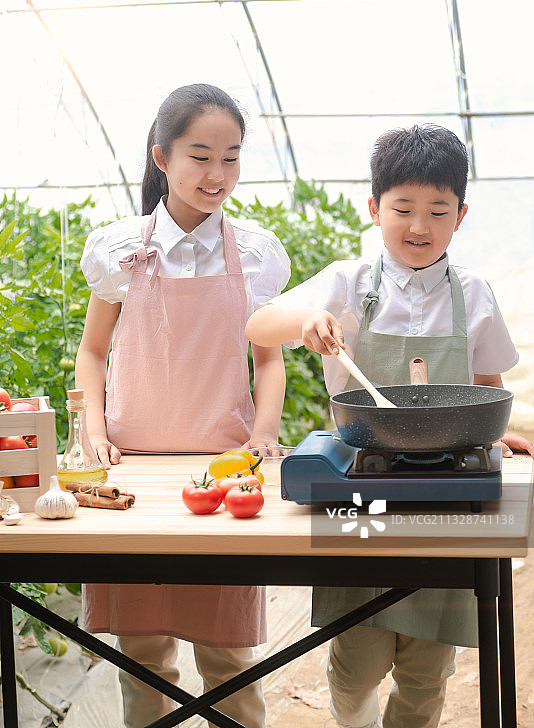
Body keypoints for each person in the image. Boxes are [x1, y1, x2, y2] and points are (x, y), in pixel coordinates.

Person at [246, 124, 534, 728]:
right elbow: (258, 325)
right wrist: (305, 320)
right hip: (362, 498)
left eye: (438, 210)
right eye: (403, 208)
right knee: (355, 664)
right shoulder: (349, 283)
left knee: (427, 674)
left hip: (445, 506)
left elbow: (486, 389)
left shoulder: (474, 295)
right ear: (374, 208)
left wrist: (497, 432)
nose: (419, 227)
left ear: (461, 215)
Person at [75, 83, 290, 728]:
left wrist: (265, 431)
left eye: (231, 158)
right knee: (142, 658)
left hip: (223, 474)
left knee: (229, 658)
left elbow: (270, 356)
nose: (216, 174)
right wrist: (93, 432)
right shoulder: (118, 248)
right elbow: (91, 353)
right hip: (132, 471)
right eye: (200, 157)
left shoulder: (254, 253)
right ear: (162, 158)